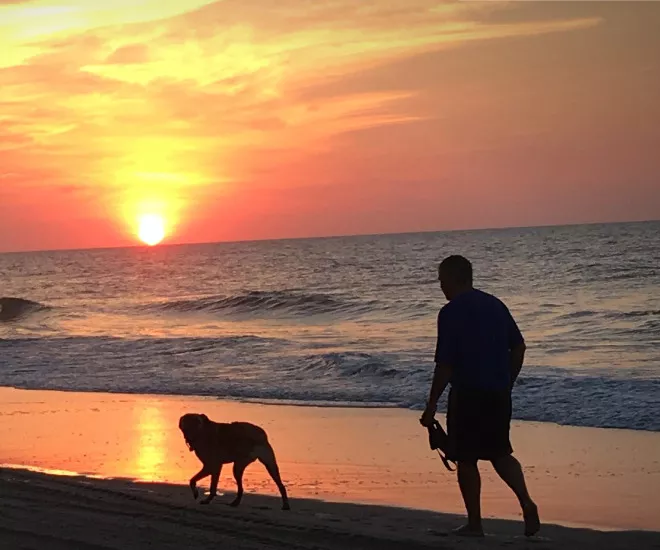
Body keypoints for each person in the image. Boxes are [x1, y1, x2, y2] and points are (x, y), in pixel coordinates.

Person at [419, 255, 540, 537]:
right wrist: (507, 381)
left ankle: (475, 524)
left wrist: (431, 404)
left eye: (442, 280)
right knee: (500, 453)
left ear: (452, 279)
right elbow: (519, 348)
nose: (441, 286)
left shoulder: (449, 313)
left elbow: (445, 365)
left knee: (466, 458)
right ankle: (526, 502)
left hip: (468, 394)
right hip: (498, 394)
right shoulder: (495, 305)